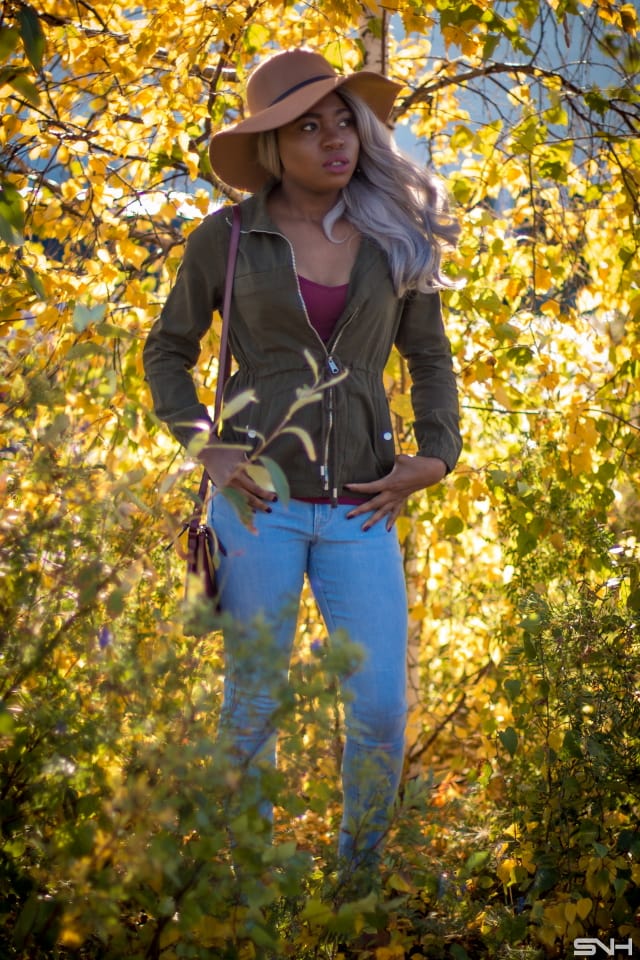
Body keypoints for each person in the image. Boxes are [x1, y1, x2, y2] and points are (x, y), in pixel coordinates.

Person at [143, 48, 462, 875]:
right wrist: (205, 445)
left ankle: (358, 885)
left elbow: (430, 359)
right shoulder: (228, 237)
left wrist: (437, 455)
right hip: (257, 505)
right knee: (252, 708)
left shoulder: (395, 235)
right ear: (272, 149)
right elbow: (167, 352)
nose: (334, 140)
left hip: (362, 506)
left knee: (382, 708)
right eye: (307, 127)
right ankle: (250, 890)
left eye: (343, 121)